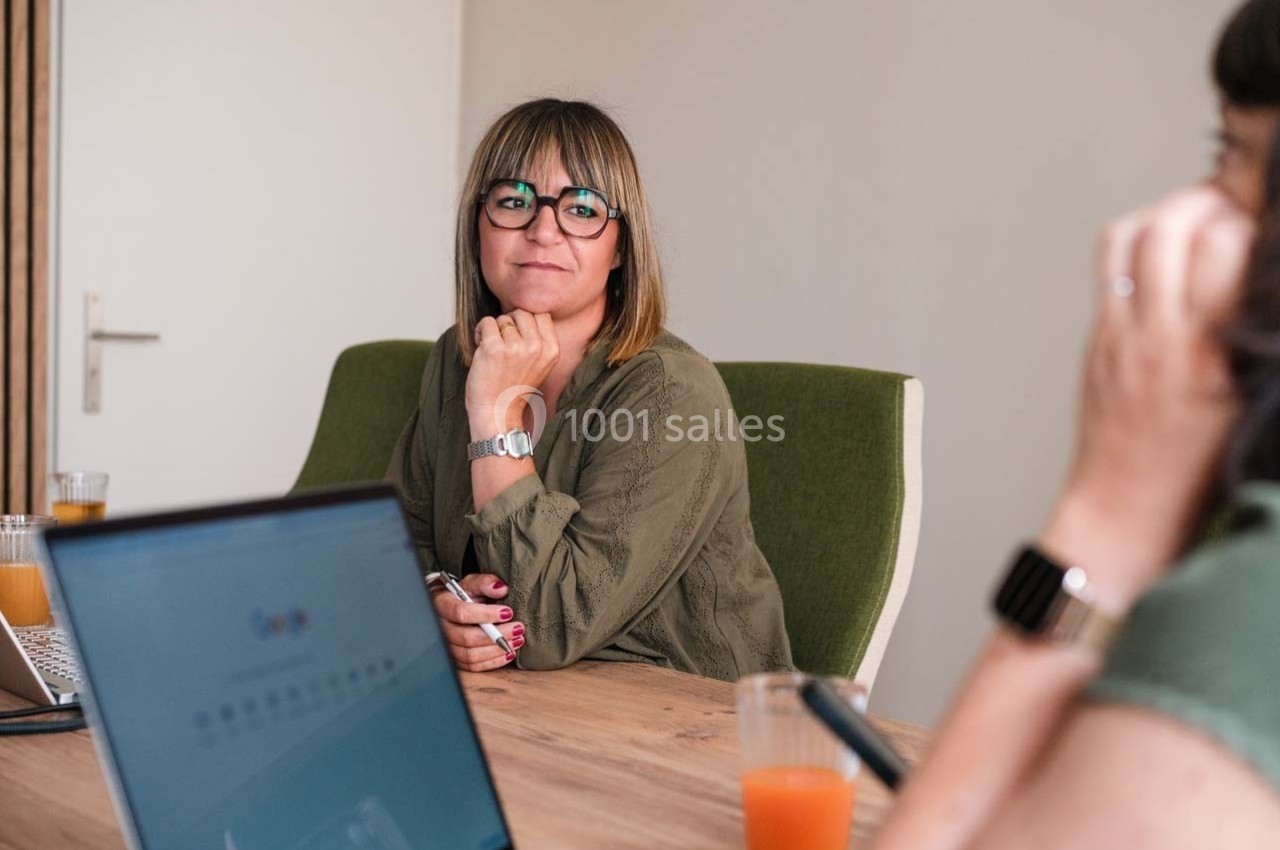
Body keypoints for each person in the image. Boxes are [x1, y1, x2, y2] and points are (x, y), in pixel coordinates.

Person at [870, 3, 1280, 847]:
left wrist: (1110, 517)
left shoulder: (1258, 597)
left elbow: (568, 614)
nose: (1173, 222)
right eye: (514, 203)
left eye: (1234, 156)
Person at [388, 98, 793, 680]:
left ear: (621, 248)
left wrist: (497, 419)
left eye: (581, 208)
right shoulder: (459, 358)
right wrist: (436, 603)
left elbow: (548, 627)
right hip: (525, 705)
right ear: (478, 227)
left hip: (683, 720)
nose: (542, 230)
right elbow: (393, 545)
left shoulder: (672, 393)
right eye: (513, 201)